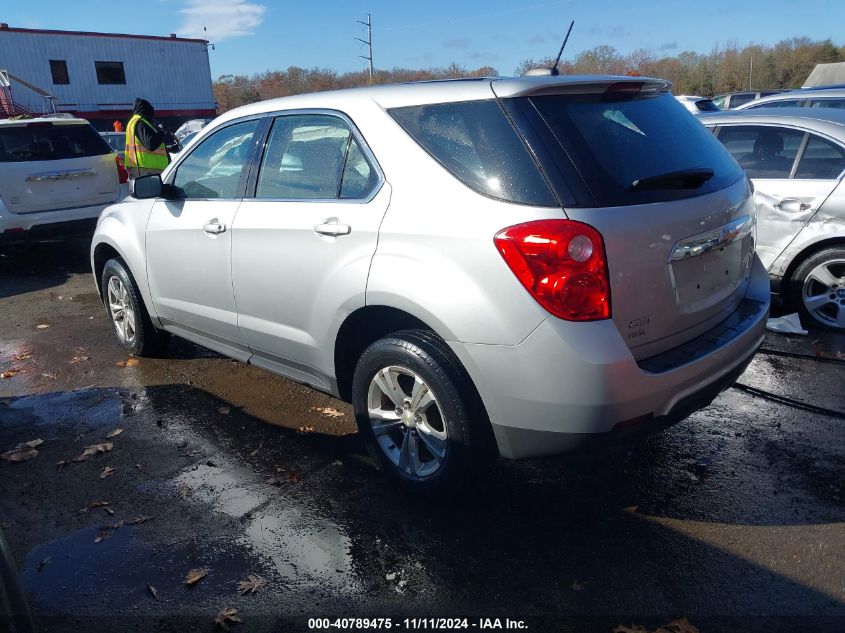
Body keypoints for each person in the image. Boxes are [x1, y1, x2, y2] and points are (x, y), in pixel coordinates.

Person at [125, 98, 178, 178]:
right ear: (146, 110)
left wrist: (168, 149)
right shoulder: (140, 123)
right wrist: (162, 131)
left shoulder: (136, 122)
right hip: (147, 170)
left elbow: (143, 146)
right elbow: (151, 144)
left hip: (144, 168)